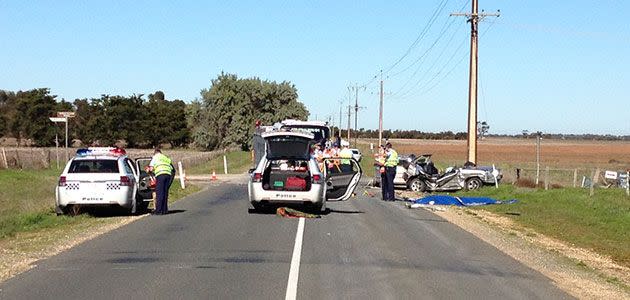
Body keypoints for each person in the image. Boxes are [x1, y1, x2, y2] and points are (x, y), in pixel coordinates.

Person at [148, 148, 174, 215]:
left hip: (160, 174)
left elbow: (151, 168)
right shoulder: (165, 157)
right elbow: (171, 168)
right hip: (168, 174)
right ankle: (165, 210)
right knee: (165, 192)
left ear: (155, 153)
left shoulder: (155, 157)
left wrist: (149, 171)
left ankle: (158, 211)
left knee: (159, 193)